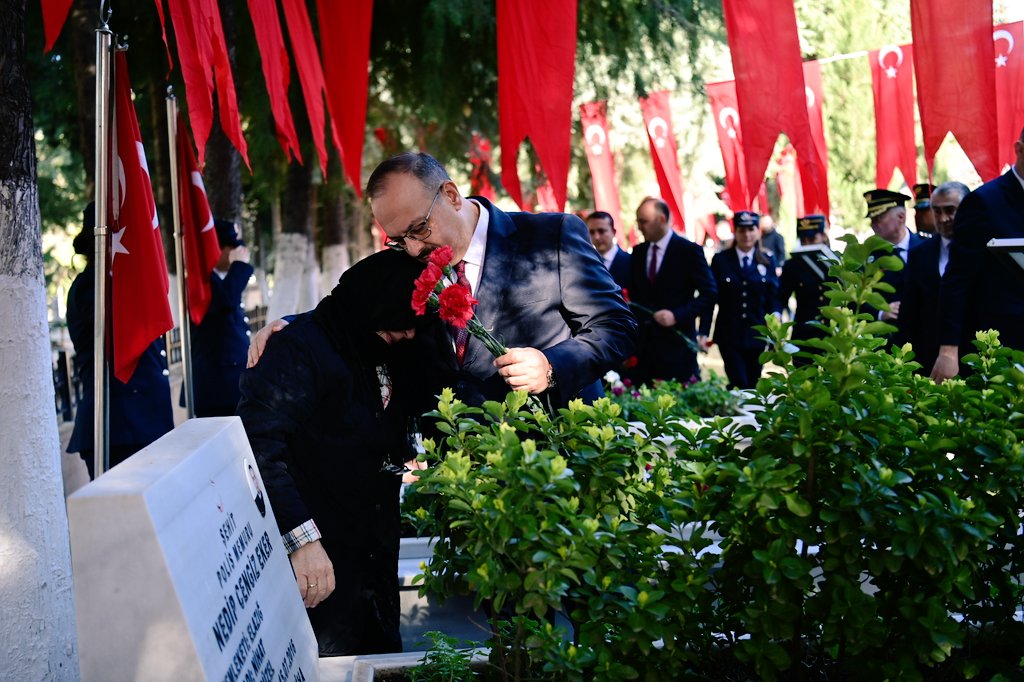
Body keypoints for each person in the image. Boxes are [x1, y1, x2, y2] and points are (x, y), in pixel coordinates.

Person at [251, 152, 636, 411]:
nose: (415, 248)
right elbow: (351, 310)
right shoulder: (408, 259)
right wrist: (290, 328)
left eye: (420, 228)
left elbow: (616, 327)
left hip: (552, 462)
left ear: (451, 194)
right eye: (399, 239)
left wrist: (550, 365)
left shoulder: (550, 235)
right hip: (459, 482)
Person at [237, 249, 425, 656]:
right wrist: (302, 541)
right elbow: (259, 449)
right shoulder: (295, 351)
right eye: (396, 328)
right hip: (319, 549)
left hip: (373, 547)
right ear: (368, 309)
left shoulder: (380, 341)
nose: (407, 335)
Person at [66, 203, 174, 478]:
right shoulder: (89, 288)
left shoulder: (128, 283)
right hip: (118, 428)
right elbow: (123, 330)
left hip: (145, 423)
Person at [932, 128, 1024, 382]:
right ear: (1019, 150)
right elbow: (957, 279)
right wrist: (948, 350)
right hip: (1001, 347)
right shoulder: (984, 203)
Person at [628, 197, 717, 386]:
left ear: (661, 220)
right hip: (643, 350)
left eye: (643, 221)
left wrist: (677, 315)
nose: (639, 227)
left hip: (676, 348)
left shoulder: (688, 251)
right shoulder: (638, 252)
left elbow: (709, 293)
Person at [703, 211, 782, 389]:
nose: (746, 235)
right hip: (729, 333)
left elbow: (772, 296)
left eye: (751, 229)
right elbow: (711, 297)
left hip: (757, 332)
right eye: (741, 230)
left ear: (758, 232)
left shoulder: (768, 260)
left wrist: (776, 321)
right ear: (736, 232)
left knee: (753, 382)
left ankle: (749, 416)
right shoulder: (721, 260)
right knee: (738, 381)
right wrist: (704, 331)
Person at [184, 219, 254, 416]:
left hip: (230, 385)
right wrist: (239, 267)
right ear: (219, 249)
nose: (235, 254)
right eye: (232, 248)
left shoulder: (220, 279)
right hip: (216, 388)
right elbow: (225, 302)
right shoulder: (201, 282)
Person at [899, 182, 968, 375]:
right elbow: (909, 314)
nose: (943, 219)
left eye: (950, 210)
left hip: (974, 358)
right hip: (928, 362)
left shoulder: (982, 251)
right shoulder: (919, 254)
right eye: (936, 211)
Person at [863, 189, 924, 329]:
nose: (874, 224)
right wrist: (880, 313)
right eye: (872, 219)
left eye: (879, 218)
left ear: (901, 217)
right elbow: (858, 299)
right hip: (890, 338)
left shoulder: (926, 247)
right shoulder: (869, 257)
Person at [777, 214, 832, 365]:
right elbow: (781, 296)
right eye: (804, 240)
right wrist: (776, 314)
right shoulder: (793, 265)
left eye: (812, 239)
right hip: (804, 333)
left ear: (823, 236)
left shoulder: (835, 263)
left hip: (832, 334)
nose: (808, 245)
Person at [586, 210, 630, 290]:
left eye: (601, 231)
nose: (596, 237)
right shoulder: (586, 263)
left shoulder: (631, 261)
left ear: (614, 232)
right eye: (592, 232)